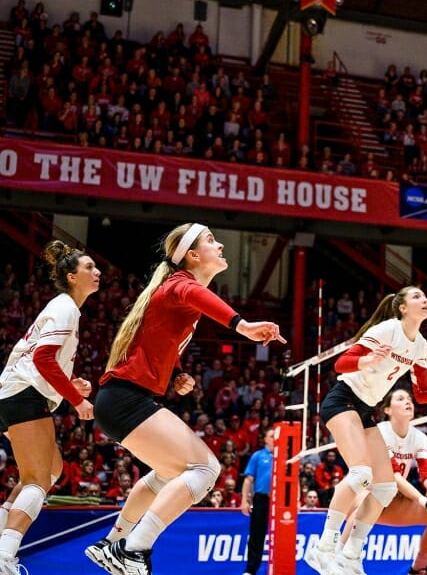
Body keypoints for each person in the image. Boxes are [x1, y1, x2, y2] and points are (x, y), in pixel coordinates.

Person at [84, 223, 285, 575]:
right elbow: (203, 300)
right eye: (211, 240)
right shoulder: (180, 285)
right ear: (192, 256)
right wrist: (245, 326)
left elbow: (158, 341)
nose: (220, 244)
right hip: (125, 399)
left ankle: (112, 542)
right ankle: (133, 549)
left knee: (166, 474)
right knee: (206, 468)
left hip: (121, 400)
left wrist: (176, 374)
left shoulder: (173, 291)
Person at [304, 287, 427, 575]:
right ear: (402, 307)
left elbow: (421, 393)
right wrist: (367, 360)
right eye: (416, 297)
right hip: (343, 399)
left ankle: (350, 554)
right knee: (361, 474)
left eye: (425, 298)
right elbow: (340, 363)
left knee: (385, 488)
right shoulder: (388, 329)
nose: (424, 301)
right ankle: (324, 548)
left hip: (365, 409)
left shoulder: (421, 346)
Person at [0, 241, 101, 574]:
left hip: (16, 393)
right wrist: (77, 400)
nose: (96, 271)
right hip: (23, 393)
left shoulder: (67, 307)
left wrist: (72, 385)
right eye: (89, 267)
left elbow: (40, 358)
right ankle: (4, 559)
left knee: (51, 470)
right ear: (72, 276)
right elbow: (42, 359)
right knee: (38, 480)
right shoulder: (65, 307)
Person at [332, 389, 427, 575]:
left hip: (393, 499)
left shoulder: (420, 438)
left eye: (410, 399)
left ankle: (419, 567)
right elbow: (393, 475)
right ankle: (338, 559)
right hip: (362, 493)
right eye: (401, 398)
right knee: (367, 500)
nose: (408, 402)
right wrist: (423, 500)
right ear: (387, 410)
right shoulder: (378, 432)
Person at [240, 428, 275, 575]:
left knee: (282, 535)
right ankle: (250, 570)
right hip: (261, 499)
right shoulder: (258, 456)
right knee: (256, 536)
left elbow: (294, 481)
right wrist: (244, 500)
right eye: (272, 436)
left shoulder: (286, 456)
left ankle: (281, 567)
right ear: (265, 439)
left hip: (279, 501)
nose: (275, 438)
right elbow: (248, 480)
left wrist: (297, 499)